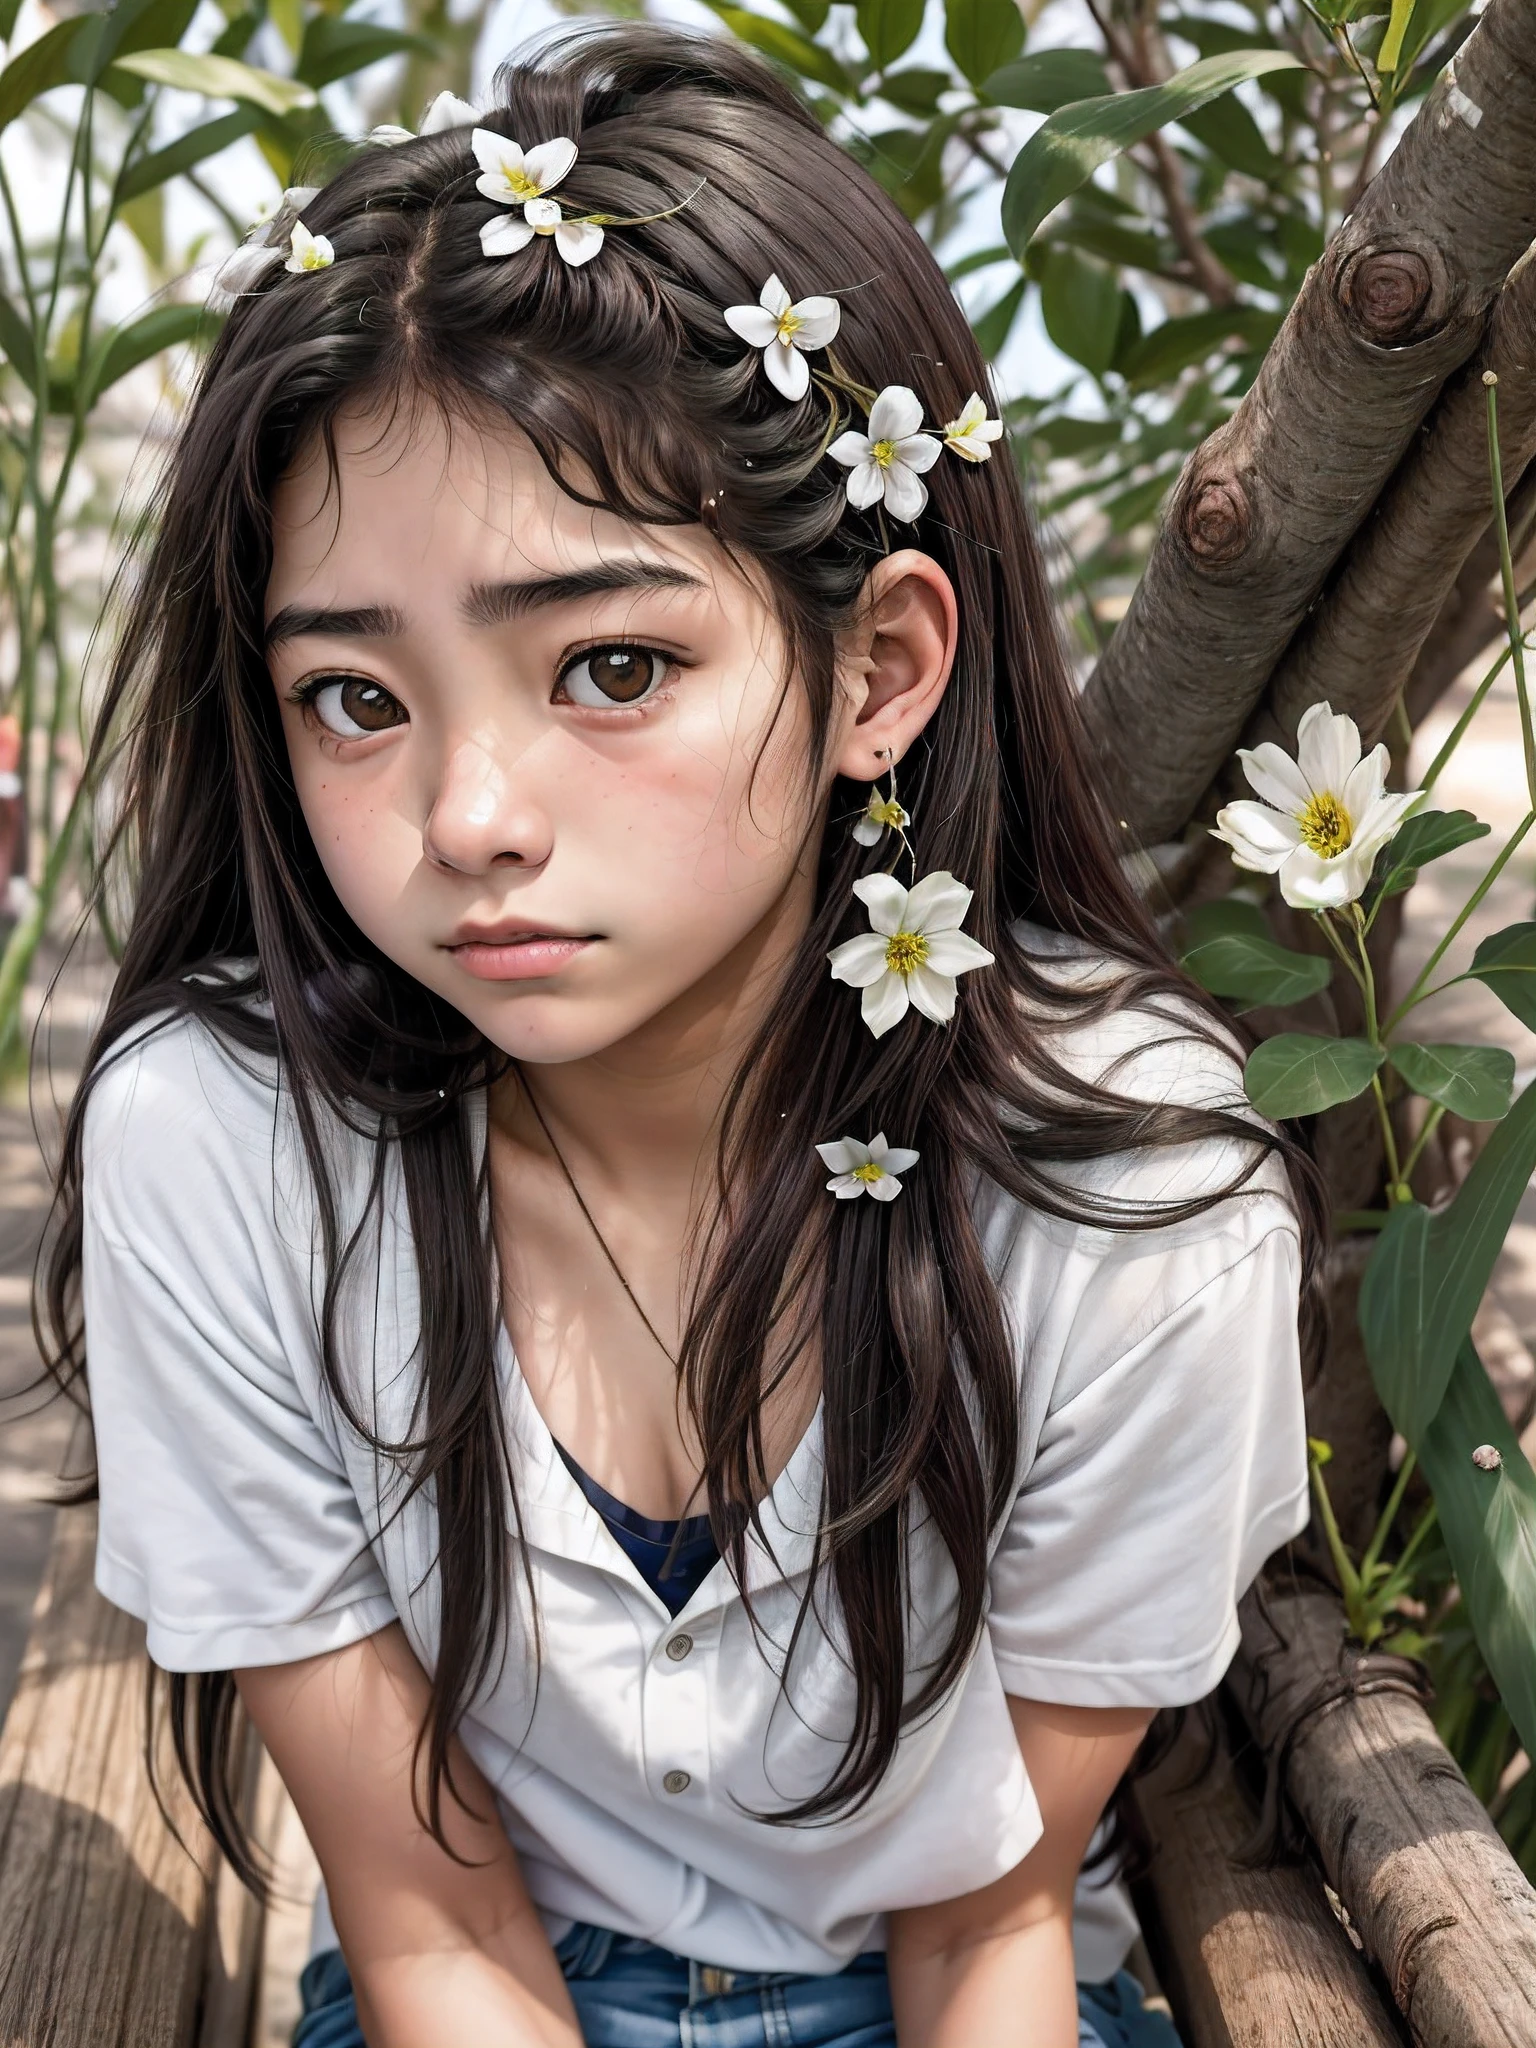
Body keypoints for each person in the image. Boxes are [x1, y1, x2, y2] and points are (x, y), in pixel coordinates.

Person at [43, 24, 1321, 2047]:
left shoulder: (1131, 1197)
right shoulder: (227, 1142)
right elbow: (431, 1922)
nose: (472, 815)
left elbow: (982, 1923)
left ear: (879, 667)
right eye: (352, 700)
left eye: (609, 663)